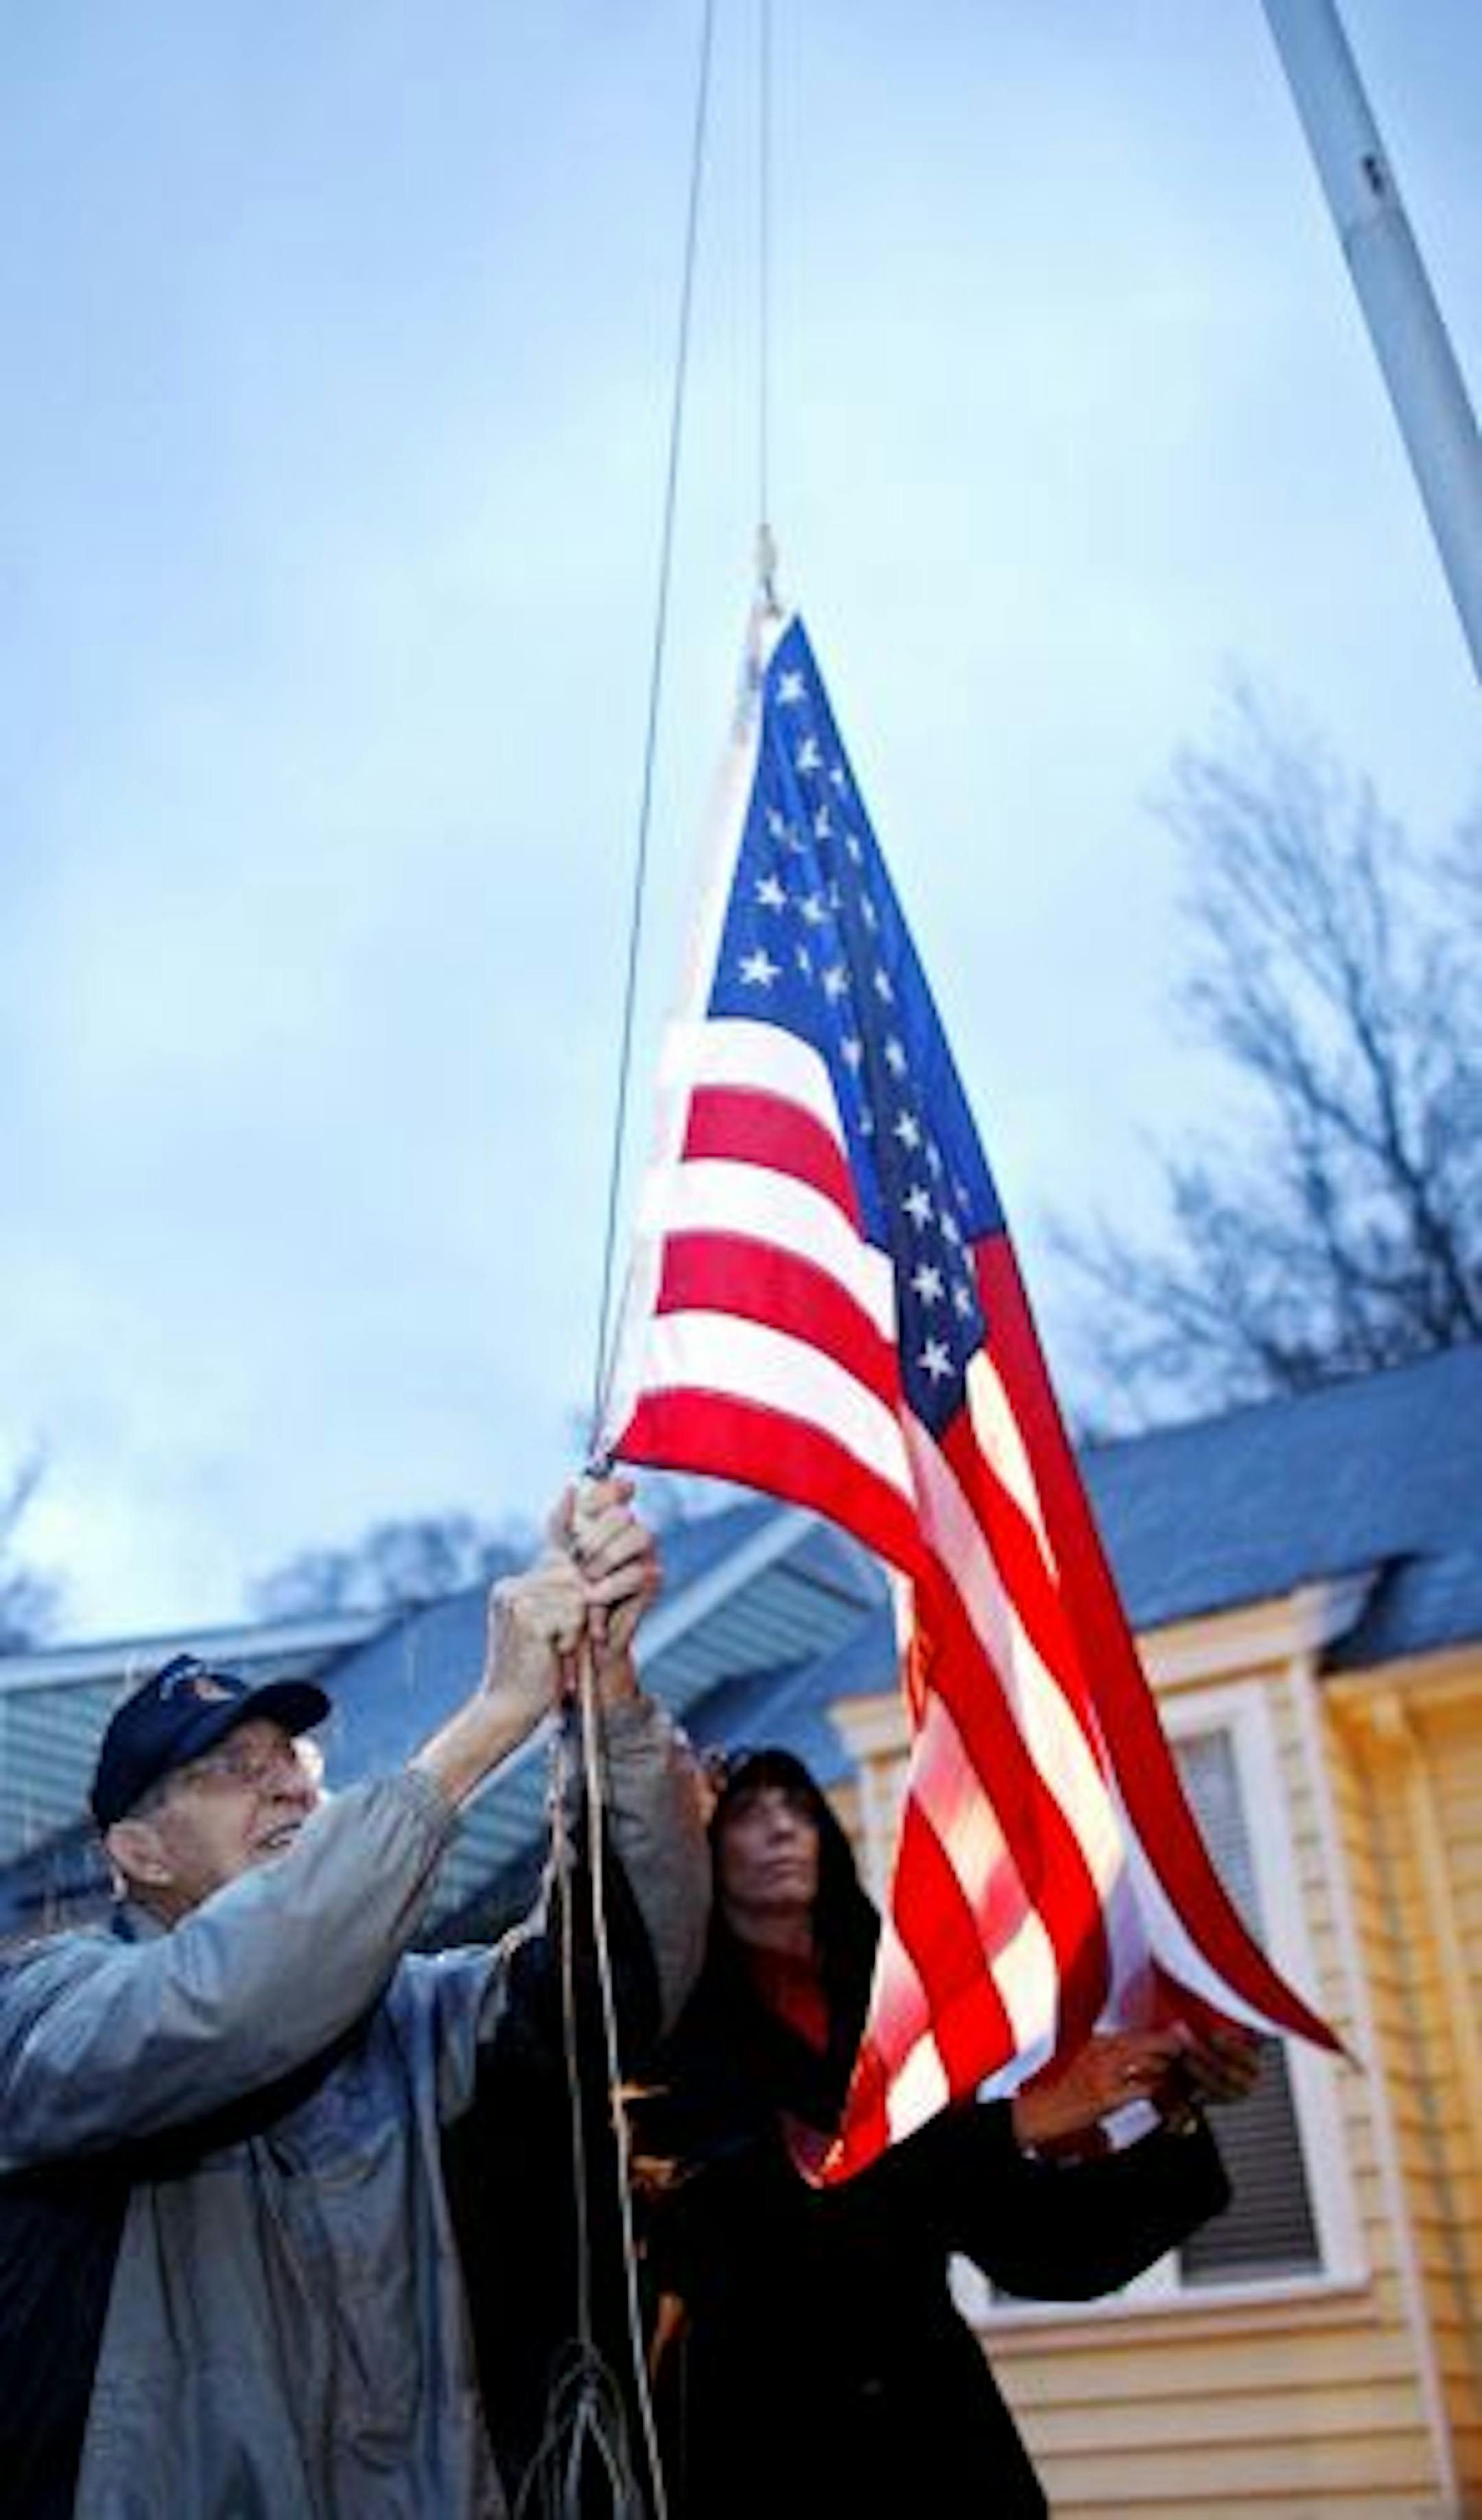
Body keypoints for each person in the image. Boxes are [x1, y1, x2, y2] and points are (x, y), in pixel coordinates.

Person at [0, 1476, 710, 2520]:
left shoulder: (420, 2013)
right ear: (136, 1851)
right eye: (231, 1769)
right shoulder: (45, 2007)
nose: (287, 1782)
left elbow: (621, 1980)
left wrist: (606, 1700)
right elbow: (227, 2004)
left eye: (293, 1758)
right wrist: (490, 1719)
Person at [635, 1745, 1262, 2520]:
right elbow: (737, 2214)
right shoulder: (663, 2011)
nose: (780, 1827)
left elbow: (1041, 2248)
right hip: (759, 2438)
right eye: (747, 1810)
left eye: (797, 1805)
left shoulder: (907, 2010)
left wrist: (1168, 2106)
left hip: (934, 2433)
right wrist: (1017, 2120)